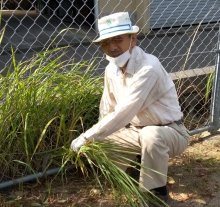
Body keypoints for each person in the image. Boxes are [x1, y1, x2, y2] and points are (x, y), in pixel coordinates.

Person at [70, 12, 190, 206]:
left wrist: (86, 135)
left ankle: (156, 195)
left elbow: (126, 111)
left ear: (133, 39)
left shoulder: (148, 67)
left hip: (171, 131)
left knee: (151, 135)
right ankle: (134, 172)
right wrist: (92, 138)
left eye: (118, 39)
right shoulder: (111, 69)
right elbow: (108, 108)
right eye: (106, 42)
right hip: (136, 132)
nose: (112, 47)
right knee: (99, 140)